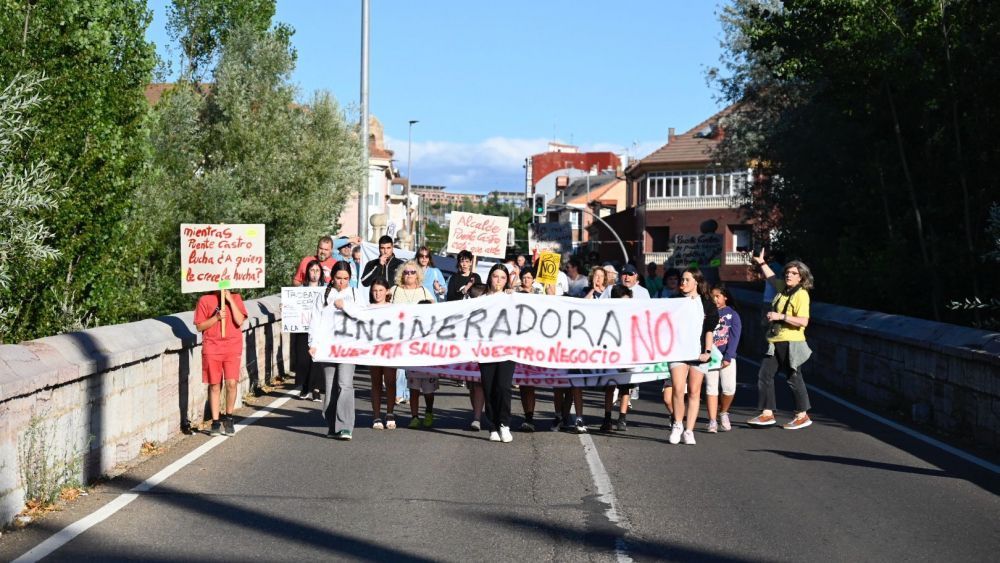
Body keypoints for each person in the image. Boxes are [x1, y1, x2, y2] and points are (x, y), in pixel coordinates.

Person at [748, 249, 815, 430]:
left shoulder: (801, 294)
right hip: (776, 340)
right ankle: (767, 413)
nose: (789, 275)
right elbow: (770, 278)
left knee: (793, 378)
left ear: (801, 277)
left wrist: (780, 317)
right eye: (787, 272)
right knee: (764, 375)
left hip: (791, 341)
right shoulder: (783, 290)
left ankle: (802, 415)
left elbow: (803, 321)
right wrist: (761, 262)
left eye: (794, 273)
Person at [667, 267, 719, 445]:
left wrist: (707, 352)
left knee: (695, 392)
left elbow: (709, 330)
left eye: (687, 279)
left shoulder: (707, 303)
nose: (683, 282)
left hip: (699, 352)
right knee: (678, 388)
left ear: (696, 281)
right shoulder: (674, 301)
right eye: (682, 279)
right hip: (678, 351)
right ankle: (677, 424)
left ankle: (689, 430)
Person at [309, 262, 359, 440]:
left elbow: (362, 315)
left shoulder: (354, 293)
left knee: (345, 384)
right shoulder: (323, 295)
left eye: (346, 279)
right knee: (330, 387)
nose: (342, 282)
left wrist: (344, 306)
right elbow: (315, 320)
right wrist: (313, 343)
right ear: (332, 278)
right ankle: (332, 424)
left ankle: (345, 426)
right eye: (339, 278)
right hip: (327, 347)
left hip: (348, 347)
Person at [388, 261, 438, 428]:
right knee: (412, 381)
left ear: (418, 275)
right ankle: (414, 415)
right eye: (406, 272)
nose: (408, 275)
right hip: (400, 339)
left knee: (428, 388)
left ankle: (429, 411)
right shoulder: (394, 291)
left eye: (412, 272)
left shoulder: (425, 291)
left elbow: (436, 313)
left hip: (422, 345)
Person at [194, 288, 248, 436]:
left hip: (232, 345)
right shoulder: (204, 299)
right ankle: (216, 421)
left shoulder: (236, 297)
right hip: (212, 345)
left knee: (231, 383)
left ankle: (229, 418)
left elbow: (239, 321)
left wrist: (230, 300)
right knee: (215, 384)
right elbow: (199, 326)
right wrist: (216, 318)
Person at [479, 264, 516, 442]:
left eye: (502, 277)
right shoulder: (481, 299)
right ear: (490, 278)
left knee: (503, 386)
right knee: (489, 387)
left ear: (507, 280)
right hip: (486, 350)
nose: (499, 280)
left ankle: (504, 424)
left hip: (506, 348)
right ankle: (492, 425)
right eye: (495, 276)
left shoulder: (511, 298)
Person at [705, 284, 742, 433]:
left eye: (717, 296)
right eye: (712, 296)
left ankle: (723, 412)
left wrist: (729, 356)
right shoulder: (707, 313)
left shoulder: (732, 314)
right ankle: (712, 420)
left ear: (725, 297)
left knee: (728, 388)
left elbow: (735, 336)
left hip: (727, 356)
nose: (714, 299)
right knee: (711, 388)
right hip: (711, 356)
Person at [600, 285, 633, 432]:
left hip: (627, 354)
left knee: (625, 387)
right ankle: (607, 418)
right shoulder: (607, 314)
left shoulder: (632, 314)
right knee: (610, 386)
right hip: (611, 355)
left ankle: (622, 418)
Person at [365, 279, 397, 430]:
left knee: (390, 382)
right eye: (374, 290)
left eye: (380, 290)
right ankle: (376, 415)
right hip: (374, 350)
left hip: (390, 349)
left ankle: (390, 413)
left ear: (387, 291)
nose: (377, 294)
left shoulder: (394, 308)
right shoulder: (367, 308)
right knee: (376, 383)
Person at [294, 259, 325, 401]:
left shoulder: (326, 290)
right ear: (308, 272)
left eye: (317, 271)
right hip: (303, 328)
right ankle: (305, 386)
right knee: (303, 360)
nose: (315, 274)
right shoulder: (300, 290)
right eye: (312, 270)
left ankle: (316, 388)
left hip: (319, 329)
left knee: (317, 359)